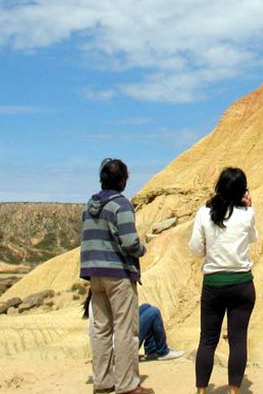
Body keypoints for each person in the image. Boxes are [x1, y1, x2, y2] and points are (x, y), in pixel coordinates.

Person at [80, 158, 153, 394]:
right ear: (122, 180)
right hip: (118, 273)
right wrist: (143, 249)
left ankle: (102, 381)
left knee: (101, 329)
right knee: (125, 330)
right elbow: (130, 242)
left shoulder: (89, 205)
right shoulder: (121, 205)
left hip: (94, 274)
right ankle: (127, 384)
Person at [188, 167, 258, 394]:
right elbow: (253, 238)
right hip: (242, 283)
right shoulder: (247, 213)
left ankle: (201, 390)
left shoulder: (204, 213)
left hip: (214, 284)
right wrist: (248, 206)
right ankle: (234, 390)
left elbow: (196, 249)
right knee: (238, 340)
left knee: (208, 340)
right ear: (241, 190)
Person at [82, 293, 185, 363]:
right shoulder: (107, 299)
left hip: (113, 343)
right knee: (154, 312)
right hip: (118, 349)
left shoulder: (96, 298)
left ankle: (152, 350)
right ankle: (163, 352)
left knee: (146, 307)